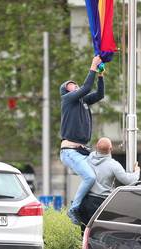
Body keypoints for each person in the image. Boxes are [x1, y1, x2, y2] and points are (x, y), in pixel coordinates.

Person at [59, 56, 104, 225]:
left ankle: (88, 209)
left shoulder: (82, 101)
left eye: (75, 84)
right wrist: (93, 66)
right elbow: (86, 87)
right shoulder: (68, 100)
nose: (75, 85)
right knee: (90, 178)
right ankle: (74, 208)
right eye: (70, 85)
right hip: (70, 152)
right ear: (66, 91)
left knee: (100, 177)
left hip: (82, 151)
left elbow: (100, 94)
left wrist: (100, 76)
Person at [77, 137, 140, 230]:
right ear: (111, 149)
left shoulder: (87, 160)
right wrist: (137, 172)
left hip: (85, 201)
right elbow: (129, 180)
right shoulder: (113, 165)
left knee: (85, 233)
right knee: (100, 233)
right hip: (102, 204)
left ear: (96, 147)